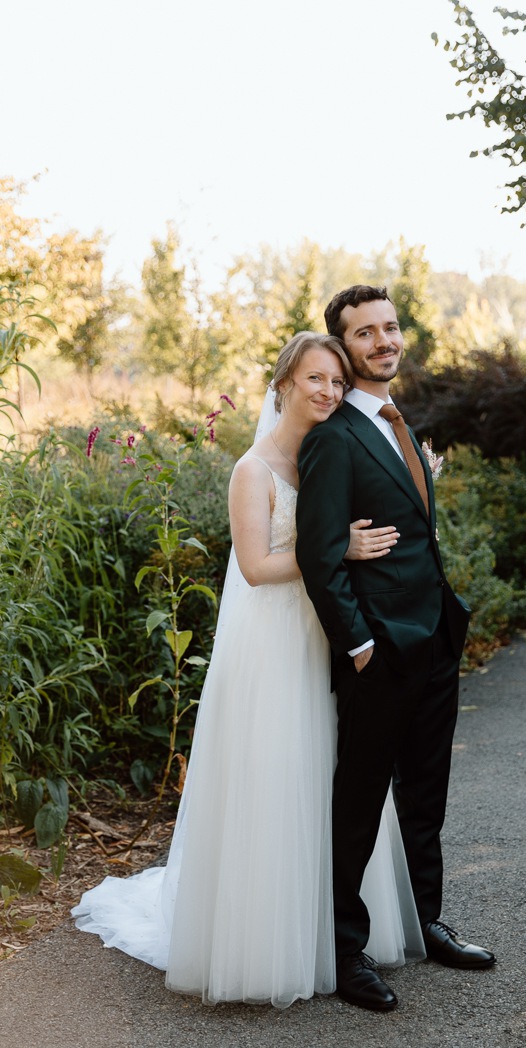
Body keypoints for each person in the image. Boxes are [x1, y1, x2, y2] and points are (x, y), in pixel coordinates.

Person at [72, 332, 425, 1009]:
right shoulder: (253, 469)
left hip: (328, 637)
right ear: (284, 382)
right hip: (272, 645)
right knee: (276, 782)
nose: (326, 391)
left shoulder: (328, 455)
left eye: (334, 381)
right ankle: (264, 942)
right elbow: (258, 569)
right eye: (313, 378)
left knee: (332, 782)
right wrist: (336, 549)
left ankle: (332, 932)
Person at [296, 287, 496, 1013]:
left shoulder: (397, 424)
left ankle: (426, 924)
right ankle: (348, 953)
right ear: (342, 348)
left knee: (424, 795)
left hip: (435, 639)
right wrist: (357, 647)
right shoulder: (330, 439)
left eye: (389, 327)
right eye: (364, 333)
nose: (383, 341)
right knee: (358, 805)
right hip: (377, 652)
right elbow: (321, 561)